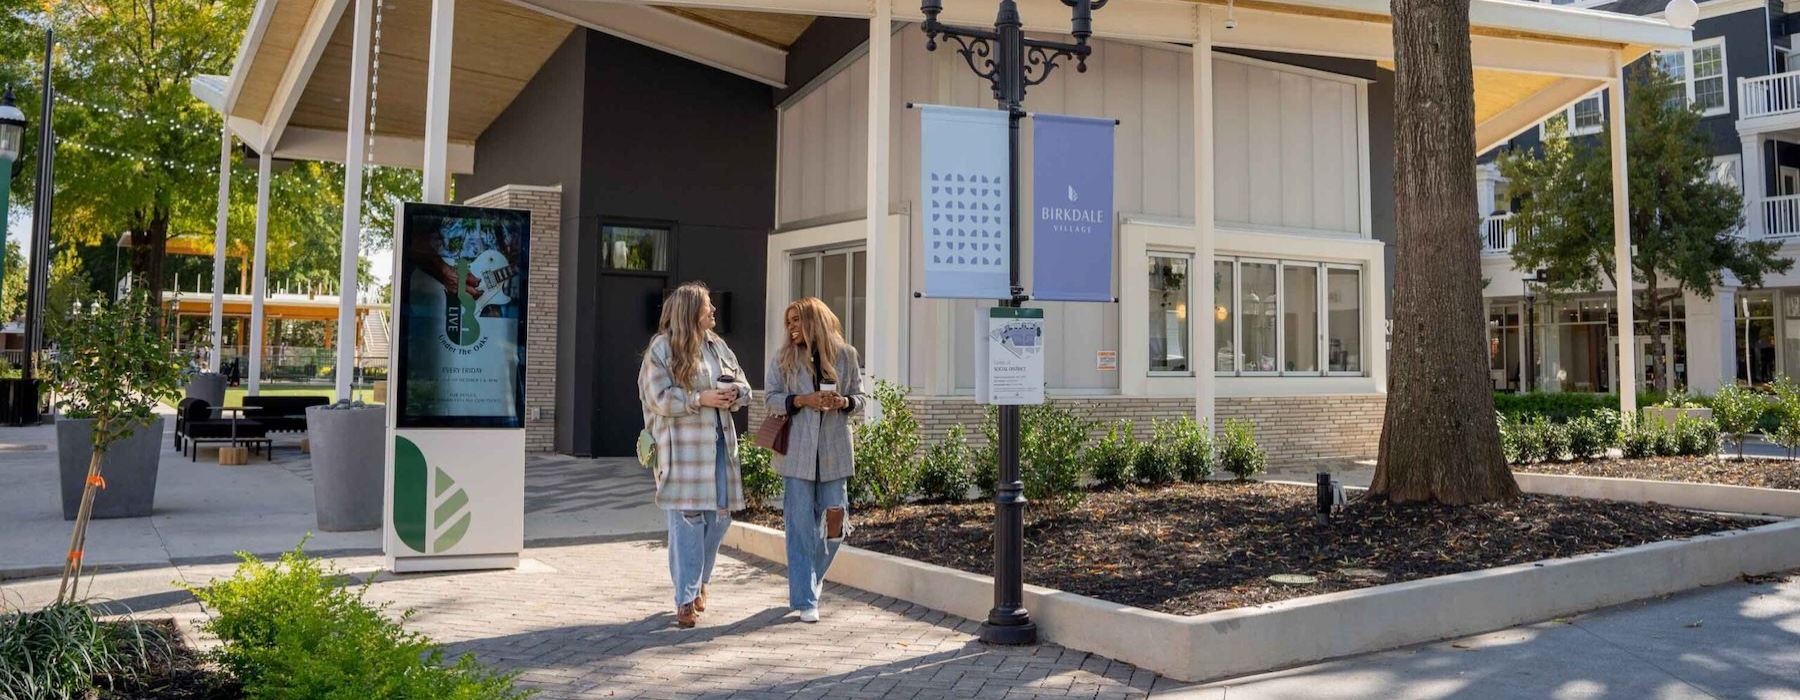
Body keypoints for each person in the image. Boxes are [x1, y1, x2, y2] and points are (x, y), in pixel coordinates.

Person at [638, 283, 752, 628]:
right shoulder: (662, 348)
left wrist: (734, 394)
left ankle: (699, 579)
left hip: (720, 446)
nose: (714, 310)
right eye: (707, 305)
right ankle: (685, 599)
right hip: (683, 452)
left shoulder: (718, 346)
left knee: (720, 518)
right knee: (687, 521)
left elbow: (744, 385)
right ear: (690, 311)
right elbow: (657, 397)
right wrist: (700, 399)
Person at [763, 297, 864, 623]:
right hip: (797, 454)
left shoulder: (846, 355)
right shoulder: (784, 358)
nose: (791, 327)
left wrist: (843, 402)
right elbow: (770, 400)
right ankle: (805, 599)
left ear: (813, 320)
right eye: (788, 321)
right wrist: (802, 400)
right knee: (799, 527)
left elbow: (861, 399)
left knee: (836, 522)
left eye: (797, 320)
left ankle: (811, 576)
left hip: (835, 451)